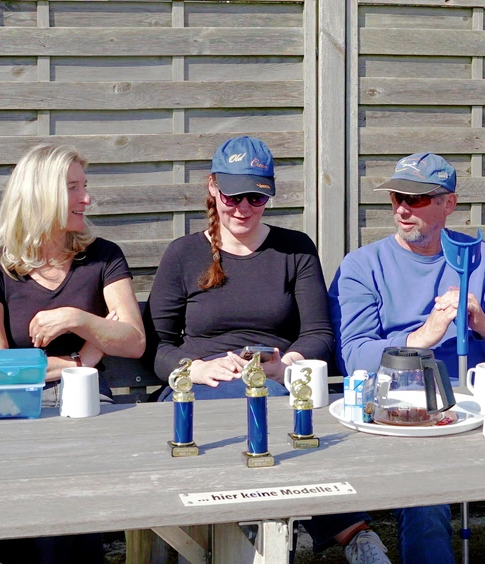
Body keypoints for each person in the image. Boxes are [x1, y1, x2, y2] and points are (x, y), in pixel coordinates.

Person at [145, 136, 391, 564]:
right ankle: (342, 532)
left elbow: (319, 333)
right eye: (232, 196)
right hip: (203, 389)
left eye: (256, 198)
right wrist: (194, 369)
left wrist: (286, 364)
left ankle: (316, 535)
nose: (243, 208)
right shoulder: (184, 253)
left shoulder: (294, 249)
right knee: (266, 418)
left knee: (289, 412)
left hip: (275, 383)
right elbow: (157, 345)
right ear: (212, 188)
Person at [330, 152, 485, 564]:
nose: (403, 209)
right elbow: (353, 357)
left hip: (483, 415)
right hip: (407, 420)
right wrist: (421, 338)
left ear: (449, 203)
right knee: (425, 515)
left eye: (417, 199)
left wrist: (482, 322)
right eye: (396, 197)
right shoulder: (362, 266)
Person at [0, 143, 146, 563]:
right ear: (40, 194)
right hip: (19, 404)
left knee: (74, 469)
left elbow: (133, 340)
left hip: (84, 398)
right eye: (73, 188)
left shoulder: (103, 256)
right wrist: (81, 359)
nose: (87, 198)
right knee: (44, 478)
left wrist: (75, 318)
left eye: (85, 186)